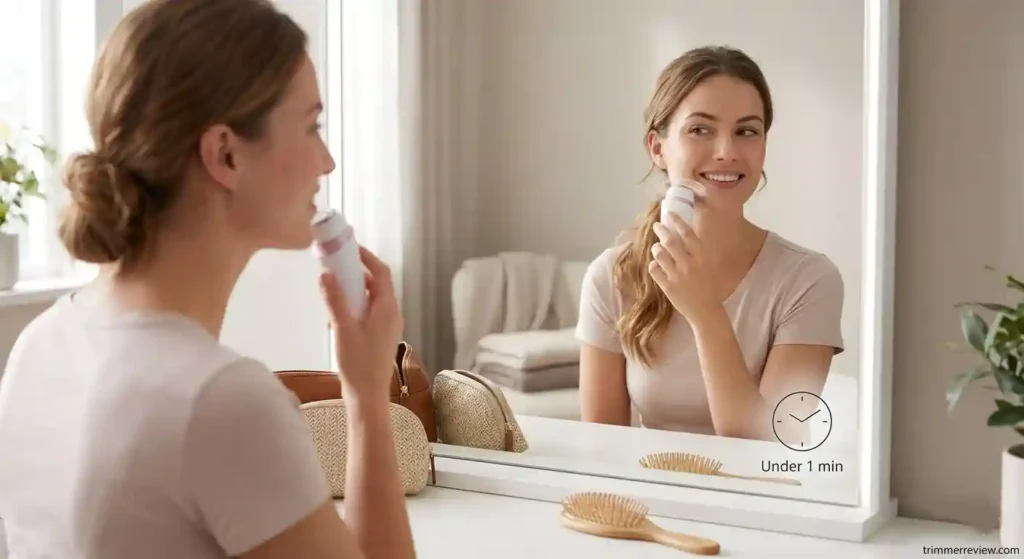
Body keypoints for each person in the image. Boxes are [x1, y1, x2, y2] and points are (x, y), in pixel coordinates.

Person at [0, 1, 415, 557]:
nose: (328, 161)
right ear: (225, 154)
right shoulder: (221, 403)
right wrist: (366, 397)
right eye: (312, 125)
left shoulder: (41, 344)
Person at [576, 46, 844, 441]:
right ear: (658, 148)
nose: (726, 152)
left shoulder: (809, 280)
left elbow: (771, 448)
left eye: (746, 131)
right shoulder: (612, 277)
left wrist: (705, 313)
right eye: (700, 129)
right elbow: (601, 449)